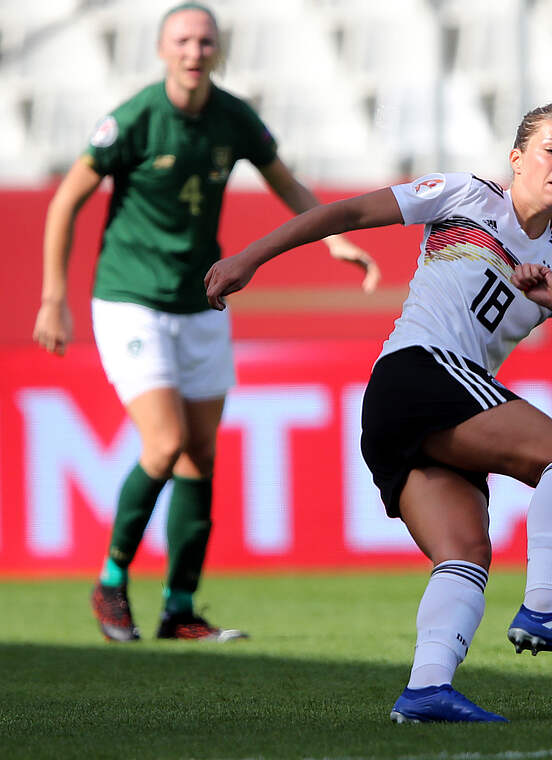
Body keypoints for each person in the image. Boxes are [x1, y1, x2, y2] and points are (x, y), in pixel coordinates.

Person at [204, 101, 552, 722]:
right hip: (420, 371)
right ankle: (544, 605)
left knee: (464, 551)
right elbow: (348, 212)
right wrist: (249, 258)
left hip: (414, 410)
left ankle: (428, 688)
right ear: (516, 158)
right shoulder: (465, 197)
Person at [33, 2, 379, 644]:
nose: (195, 51)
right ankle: (111, 579)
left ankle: (180, 610)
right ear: (164, 50)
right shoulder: (136, 118)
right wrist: (55, 295)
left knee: (201, 455)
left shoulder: (233, 117)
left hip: (202, 303)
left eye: (205, 41)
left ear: (218, 52)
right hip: (130, 298)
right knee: (163, 445)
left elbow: (286, 181)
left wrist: (331, 240)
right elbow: (66, 201)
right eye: (183, 40)